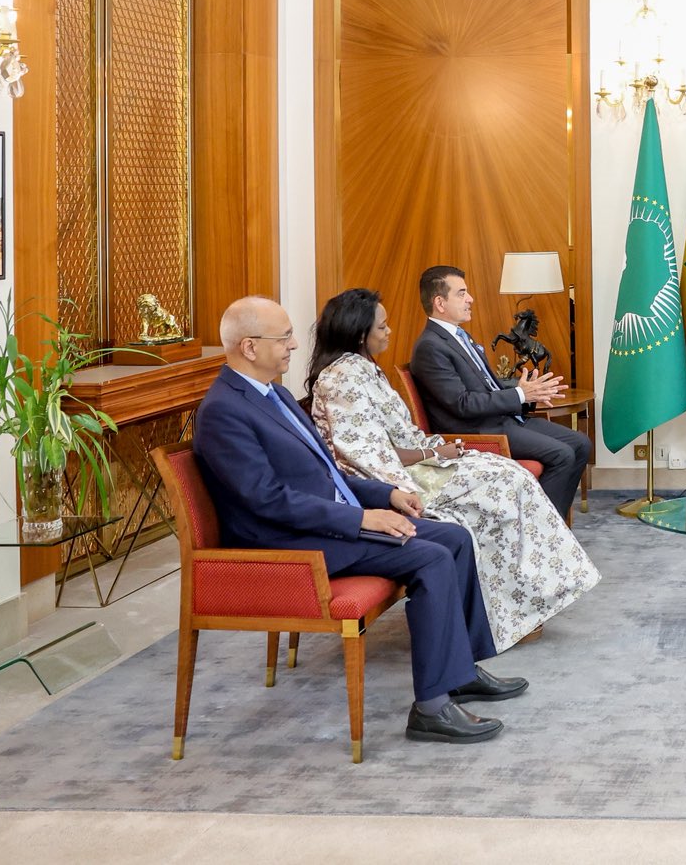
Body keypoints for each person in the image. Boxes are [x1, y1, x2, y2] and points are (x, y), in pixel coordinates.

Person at [191, 296, 526, 746]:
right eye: (284, 337)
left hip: (324, 522)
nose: (294, 345)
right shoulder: (223, 410)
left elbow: (327, 474)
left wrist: (386, 495)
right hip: (290, 543)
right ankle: (431, 709)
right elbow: (268, 501)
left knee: (455, 538)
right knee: (430, 558)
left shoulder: (276, 395)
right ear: (249, 347)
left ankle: (458, 672)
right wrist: (363, 519)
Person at [307, 288, 600, 651]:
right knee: (504, 486)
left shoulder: (364, 369)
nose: (389, 331)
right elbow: (369, 455)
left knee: (513, 476)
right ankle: (507, 607)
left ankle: (528, 595)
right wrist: (431, 454)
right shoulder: (342, 379)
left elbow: (397, 435)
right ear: (358, 334)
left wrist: (435, 449)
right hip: (392, 480)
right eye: (382, 326)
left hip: (420, 459)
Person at [409, 265, 591, 520]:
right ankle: (540, 529)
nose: (470, 299)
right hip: (477, 430)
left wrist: (529, 390)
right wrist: (520, 395)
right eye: (461, 293)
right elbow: (462, 404)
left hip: (502, 419)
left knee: (581, 443)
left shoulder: (459, 336)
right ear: (440, 303)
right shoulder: (430, 347)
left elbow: (487, 385)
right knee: (562, 455)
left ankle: (552, 525)